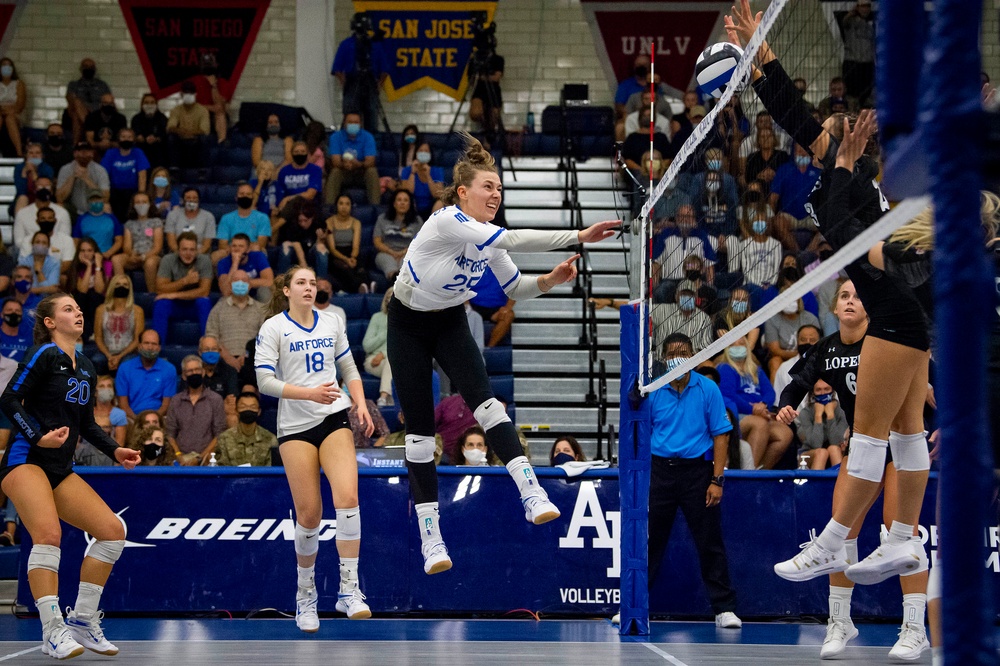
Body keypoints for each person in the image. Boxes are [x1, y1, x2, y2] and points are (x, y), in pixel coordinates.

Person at [726, 1, 931, 594]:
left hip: (898, 306)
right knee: (905, 429)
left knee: (872, 432)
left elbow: (844, 231)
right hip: (907, 308)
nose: (833, 131)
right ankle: (901, 540)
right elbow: (796, 119)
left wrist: (844, 162)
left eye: (844, 129)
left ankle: (837, 540)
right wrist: (763, 63)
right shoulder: (850, 174)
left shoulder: (871, 187)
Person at [386, 132, 619, 574]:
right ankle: (431, 539)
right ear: (463, 193)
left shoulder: (488, 238)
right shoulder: (446, 221)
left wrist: (550, 280)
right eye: (487, 187)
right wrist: (578, 235)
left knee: (488, 404)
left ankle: (532, 494)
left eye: (499, 188)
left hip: (450, 319)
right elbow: (512, 240)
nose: (495, 194)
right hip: (408, 326)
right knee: (418, 434)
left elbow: (516, 289)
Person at [0, 292, 141, 658]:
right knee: (49, 534)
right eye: (68, 309)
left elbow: (87, 424)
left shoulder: (87, 367)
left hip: (60, 467)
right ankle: (51, 630)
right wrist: (38, 436)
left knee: (112, 533)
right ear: (50, 322)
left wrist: (115, 450)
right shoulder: (43, 353)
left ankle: (81, 619)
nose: (78, 313)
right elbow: (8, 400)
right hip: (25, 458)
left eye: (79, 309)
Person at [255, 266, 374, 630]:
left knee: (348, 497)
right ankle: (305, 595)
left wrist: (360, 401)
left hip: (333, 416)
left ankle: (349, 590)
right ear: (287, 290)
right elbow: (263, 381)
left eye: (312, 283)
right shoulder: (273, 327)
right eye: (301, 283)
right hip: (294, 425)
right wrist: (308, 393)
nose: (309, 288)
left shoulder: (332, 320)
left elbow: (348, 365)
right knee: (309, 515)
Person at [645, 332, 741, 629]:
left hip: (697, 473)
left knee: (710, 541)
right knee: (649, 542)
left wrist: (717, 479)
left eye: (683, 352)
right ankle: (634, 605)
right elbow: (640, 433)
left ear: (694, 356)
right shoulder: (653, 390)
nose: (678, 357)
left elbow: (720, 435)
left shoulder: (708, 388)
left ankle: (724, 608)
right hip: (659, 472)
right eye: (672, 352)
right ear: (663, 359)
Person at [717, 335, 792, 469]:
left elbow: (770, 393)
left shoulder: (756, 369)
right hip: (736, 415)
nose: (738, 347)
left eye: (741, 343)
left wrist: (763, 405)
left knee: (785, 433)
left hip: (759, 413)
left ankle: (760, 472)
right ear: (727, 349)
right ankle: (748, 472)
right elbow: (728, 396)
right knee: (760, 424)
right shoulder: (725, 368)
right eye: (733, 344)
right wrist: (752, 410)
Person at [331, 13, 390, 133]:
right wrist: (345, 83)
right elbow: (337, 69)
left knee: (372, 122)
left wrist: (378, 85)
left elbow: (385, 70)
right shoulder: (346, 44)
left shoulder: (375, 45)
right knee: (350, 120)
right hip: (352, 84)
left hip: (370, 85)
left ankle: (371, 148)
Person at [165, 355, 227, 466]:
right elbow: (170, 434)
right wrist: (179, 455)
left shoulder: (215, 399)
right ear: (184, 376)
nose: (194, 373)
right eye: (190, 371)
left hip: (206, 458)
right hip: (180, 458)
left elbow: (219, 435)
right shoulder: (176, 400)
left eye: (197, 370)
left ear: (203, 372)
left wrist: (199, 458)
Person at [152, 232, 212, 344]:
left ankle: (207, 346)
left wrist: (174, 294)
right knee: (161, 303)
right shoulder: (168, 260)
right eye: (184, 249)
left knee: (204, 302)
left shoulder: (204, 260)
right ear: (178, 250)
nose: (188, 253)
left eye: (192, 250)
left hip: (194, 305)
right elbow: (160, 289)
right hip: (175, 305)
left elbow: (204, 291)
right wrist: (185, 281)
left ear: (197, 250)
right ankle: (157, 347)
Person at [205, 269, 267, 373]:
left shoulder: (261, 310)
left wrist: (248, 355)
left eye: (244, 280)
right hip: (224, 361)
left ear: (250, 285)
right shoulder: (218, 309)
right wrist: (228, 358)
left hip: (254, 360)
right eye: (236, 280)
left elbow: (266, 338)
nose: (240, 283)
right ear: (230, 285)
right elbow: (212, 337)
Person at [114, 329, 175, 419]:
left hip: (159, 418)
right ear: (139, 346)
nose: (150, 347)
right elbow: (123, 405)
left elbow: (166, 405)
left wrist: (152, 420)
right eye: (146, 343)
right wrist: (138, 422)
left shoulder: (169, 369)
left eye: (154, 344)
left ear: (159, 347)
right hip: (131, 418)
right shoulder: (125, 368)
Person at [764, 290, 821, 380]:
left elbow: (818, 343)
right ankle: (777, 392)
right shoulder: (772, 320)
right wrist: (798, 354)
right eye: (786, 300)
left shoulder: (810, 318)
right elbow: (775, 350)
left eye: (793, 299)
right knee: (775, 361)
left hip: (809, 355)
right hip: (783, 358)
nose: (790, 303)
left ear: (799, 301)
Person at [325, 112, 380, 206]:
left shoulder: (368, 137)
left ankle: (375, 208)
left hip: (362, 171)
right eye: (350, 122)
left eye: (356, 122)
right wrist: (344, 164)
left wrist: (358, 164)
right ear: (344, 124)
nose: (353, 125)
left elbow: (371, 161)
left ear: (360, 124)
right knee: (335, 172)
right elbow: (335, 161)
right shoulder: (335, 137)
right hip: (344, 171)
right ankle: (329, 208)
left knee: (372, 171)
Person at [112, 191, 162, 291]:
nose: (141, 205)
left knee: (150, 263)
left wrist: (144, 256)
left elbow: (157, 247)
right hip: (134, 255)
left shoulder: (156, 222)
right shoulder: (129, 224)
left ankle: (152, 294)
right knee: (116, 259)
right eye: (138, 202)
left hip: (152, 256)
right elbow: (127, 246)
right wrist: (133, 255)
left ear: (149, 204)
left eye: (144, 202)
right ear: (133, 205)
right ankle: (123, 292)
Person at [94, 274, 144, 373]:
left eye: (125, 284)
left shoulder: (138, 310)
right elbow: (98, 338)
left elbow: (137, 340)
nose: (121, 287)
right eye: (117, 284)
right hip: (106, 352)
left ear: (130, 288)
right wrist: (109, 356)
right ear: (112, 287)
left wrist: (119, 356)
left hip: (128, 353)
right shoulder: (101, 309)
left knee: (127, 362)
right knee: (97, 361)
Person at [76, 375, 128, 466]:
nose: (106, 389)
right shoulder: (85, 412)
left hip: (109, 456)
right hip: (85, 457)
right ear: (95, 392)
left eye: (109, 386)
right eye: (102, 386)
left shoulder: (119, 414)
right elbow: (76, 442)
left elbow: (119, 443)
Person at [796, 379, 848, 469]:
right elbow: (815, 444)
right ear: (813, 392)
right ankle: (816, 483)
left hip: (837, 453)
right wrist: (818, 417)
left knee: (833, 449)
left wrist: (831, 416)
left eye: (826, 389)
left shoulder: (841, 411)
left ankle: (837, 482)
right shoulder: (805, 413)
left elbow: (837, 442)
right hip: (808, 454)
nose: (823, 393)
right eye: (818, 390)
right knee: (821, 452)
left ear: (833, 391)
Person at [100, 127, 149, 222]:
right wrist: (105, 199)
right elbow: (103, 175)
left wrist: (140, 197)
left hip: (132, 191)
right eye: (123, 137)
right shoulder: (111, 153)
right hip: (114, 191)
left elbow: (142, 176)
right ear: (118, 139)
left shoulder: (138, 153)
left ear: (134, 140)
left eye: (129, 137)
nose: (126, 139)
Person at [214, 392, 277, 466]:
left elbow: (272, 471)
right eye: (243, 407)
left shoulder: (270, 439)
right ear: (236, 410)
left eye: (252, 407)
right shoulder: (224, 438)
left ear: (259, 411)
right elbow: (222, 469)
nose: (248, 410)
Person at [63, 238, 107, 342]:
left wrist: (98, 266)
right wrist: (89, 266)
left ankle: (92, 333)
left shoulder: (106, 265)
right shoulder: (76, 267)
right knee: (81, 297)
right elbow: (82, 290)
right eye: (82, 250)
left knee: (94, 295)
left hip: (99, 302)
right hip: (82, 304)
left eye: (89, 250)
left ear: (95, 252)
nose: (86, 253)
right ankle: (86, 334)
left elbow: (100, 289)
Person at [374, 190, 423, 282]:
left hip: (408, 253)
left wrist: (403, 252)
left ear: (410, 204)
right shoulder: (382, 219)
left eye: (405, 200)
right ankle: (394, 279)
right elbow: (377, 241)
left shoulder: (417, 221)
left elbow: (420, 243)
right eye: (399, 200)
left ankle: (399, 284)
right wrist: (391, 252)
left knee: (406, 263)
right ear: (394, 204)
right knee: (388, 263)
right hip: (386, 253)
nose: (402, 203)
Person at [14, 176, 72, 249]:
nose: (44, 189)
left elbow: (65, 239)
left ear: (52, 190)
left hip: (56, 251)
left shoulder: (63, 213)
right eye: (40, 186)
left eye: (47, 187)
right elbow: (19, 242)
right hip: (29, 251)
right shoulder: (22, 214)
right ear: (34, 189)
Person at [325, 195, 368, 294]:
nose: (344, 207)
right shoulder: (329, 222)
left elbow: (356, 246)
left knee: (360, 267)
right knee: (344, 268)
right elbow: (332, 248)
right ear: (336, 205)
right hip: (336, 253)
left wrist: (352, 257)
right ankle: (361, 287)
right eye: (341, 203)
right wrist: (346, 260)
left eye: (347, 204)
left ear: (351, 207)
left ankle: (366, 286)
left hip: (352, 252)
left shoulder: (356, 222)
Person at [72, 190, 123, 273]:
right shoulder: (81, 219)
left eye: (98, 200)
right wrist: (81, 254)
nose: (96, 203)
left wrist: (107, 254)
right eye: (93, 200)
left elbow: (119, 240)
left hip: (106, 257)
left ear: (103, 201)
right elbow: (76, 240)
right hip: (86, 258)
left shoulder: (112, 218)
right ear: (88, 202)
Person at [771, 323, 821, 406]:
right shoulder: (784, 368)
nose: (807, 343)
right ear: (797, 341)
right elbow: (778, 402)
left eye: (812, 340)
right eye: (803, 340)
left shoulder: (829, 365)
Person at [55, 142, 109, 218]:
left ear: (92, 153)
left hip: (94, 208)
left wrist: (86, 179)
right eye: (81, 151)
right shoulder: (65, 169)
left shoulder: (100, 170)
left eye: (87, 151)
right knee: (59, 206)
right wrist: (73, 177)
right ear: (75, 154)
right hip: (73, 209)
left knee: (106, 207)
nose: (84, 154)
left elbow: (105, 198)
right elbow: (60, 198)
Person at [64, 58, 111, 143]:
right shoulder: (73, 85)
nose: (89, 69)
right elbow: (70, 100)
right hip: (81, 112)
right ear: (81, 69)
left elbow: (109, 100)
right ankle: (89, 125)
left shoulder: (102, 85)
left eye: (91, 67)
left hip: (98, 114)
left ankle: (75, 146)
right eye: (86, 66)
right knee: (76, 103)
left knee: (76, 118)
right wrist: (85, 107)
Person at [276, 202, 328, 276]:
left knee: (321, 247)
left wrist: (321, 239)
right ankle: (281, 280)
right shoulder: (293, 225)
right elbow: (296, 243)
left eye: (305, 220)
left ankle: (322, 282)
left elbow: (318, 245)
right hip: (296, 255)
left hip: (310, 255)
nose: (303, 224)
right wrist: (303, 264)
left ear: (312, 218)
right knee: (286, 245)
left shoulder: (319, 224)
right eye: (300, 221)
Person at [216, 183, 272, 254]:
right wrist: (239, 249)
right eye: (242, 194)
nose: (245, 196)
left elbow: (260, 244)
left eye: (248, 194)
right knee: (217, 255)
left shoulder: (263, 218)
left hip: (253, 253)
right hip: (231, 253)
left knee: (259, 250)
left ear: (252, 197)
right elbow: (222, 245)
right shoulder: (226, 218)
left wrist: (239, 248)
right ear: (236, 198)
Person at [217, 233, 274, 301]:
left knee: (264, 291)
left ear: (248, 249)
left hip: (256, 293)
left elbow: (269, 281)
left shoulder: (258, 256)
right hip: (235, 296)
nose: (237, 249)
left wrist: (245, 283)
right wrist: (235, 263)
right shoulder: (223, 262)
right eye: (234, 246)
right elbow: (225, 291)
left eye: (241, 246)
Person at [198, 335, 239, 428]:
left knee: (232, 418)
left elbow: (231, 405)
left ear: (220, 352)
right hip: (197, 413)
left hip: (221, 415)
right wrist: (222, 404)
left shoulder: (230, 371)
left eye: (214, 349)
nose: (210, 352)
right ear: (200, 352)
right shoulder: (194, 370)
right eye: (207, 349)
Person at [839, 1, 875, 105]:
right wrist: (851, 12)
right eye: (862, 6)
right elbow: (844, 22)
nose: (865, 9)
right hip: (853, 62)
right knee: (852, 94)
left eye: (868, 6)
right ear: (857, 7)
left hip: (867, 63)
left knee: (867, 94)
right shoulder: (851, 21)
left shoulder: (874, 21)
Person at [166, 81, 210, 167]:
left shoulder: (203, 110)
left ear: (195, 94)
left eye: (191, 93)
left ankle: (202, 172)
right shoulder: (176, 109)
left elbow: (205, 130)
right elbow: (170, 127)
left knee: (204, 139)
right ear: (182, 94)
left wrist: (190, 133)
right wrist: (180, 131)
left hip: (196, 140)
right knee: (171, 138)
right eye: (186, 93)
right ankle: (174, 169)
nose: (188, 95)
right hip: (181, 139)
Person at [190, 53, 231, 143]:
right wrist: (210, 108)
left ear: (215, 65)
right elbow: (190, 104)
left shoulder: (223, 82)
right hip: (199, 114)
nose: (208, 67)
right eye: (205, 64)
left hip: (216, 117)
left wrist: (214, 86)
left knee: (220, 113)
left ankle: (222, 141)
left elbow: (221, 107)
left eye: (210, 64)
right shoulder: (194, 81)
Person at [469, 268, 515, 348]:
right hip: (474, 305)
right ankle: (470, 351)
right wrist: (467, 306)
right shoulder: (471, 264)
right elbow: (461, 288)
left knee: (509, 315)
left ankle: (489, 348)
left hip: (496, 308)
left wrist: (507, 308)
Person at [363, 288, 393, 406]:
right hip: (373, 360)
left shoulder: (408, 321)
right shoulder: (377, 317)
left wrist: (384, 354)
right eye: (389, 297)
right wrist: (386, 330)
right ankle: (383, 398)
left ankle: (386, 401)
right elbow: (367, 346)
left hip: (396, 359)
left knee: (393, 362)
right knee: (393, 364)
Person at [399, 142, 445, 220]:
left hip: (431, 206)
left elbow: (438, 194)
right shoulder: (407, 170)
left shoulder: (437, 170)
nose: (423, 153)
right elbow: (407, 192)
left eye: (426, 151)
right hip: (412, 205)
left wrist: (428, 176)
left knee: (440, 202)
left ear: (430, 154)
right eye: (421, 150)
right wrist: (413, 173)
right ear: (416, 153)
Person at [164, 187, 215, 255]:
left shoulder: (208, 217)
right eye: (188, 197)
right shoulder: (172, 215)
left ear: (199, 200)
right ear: (183, 200)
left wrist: (193, 255)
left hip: (200, 254)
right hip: (177, 253)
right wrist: (182, 254)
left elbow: (206, 245)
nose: (191, 200)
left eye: (195, 198)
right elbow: (171, 243)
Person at [276, 141, 323, 213]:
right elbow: (280, 192)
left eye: (303, 151)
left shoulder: (315, 170)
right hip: (288, 207)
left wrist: (289, 198)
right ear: (292, 154)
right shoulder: (284, 171)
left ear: (307, 154)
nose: (299, 154)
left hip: (308, 205)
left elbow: (310, 194)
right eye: (296, 152)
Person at [469, 55, 505, 144]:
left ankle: (489, 136)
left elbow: (496, 77)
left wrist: (481, 76)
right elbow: (471, 81)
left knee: (493, 117)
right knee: (475, 113)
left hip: (494, 90)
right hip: (480, 89)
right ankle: (485, 130)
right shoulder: (475, 60)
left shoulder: (497, 59)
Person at [83, 93, 127, 159]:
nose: (108, 106)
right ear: (100, 104)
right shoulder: (91, 117)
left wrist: (110, 144)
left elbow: (123, 140)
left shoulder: (120, 118)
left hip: (115, 150)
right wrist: (99, 144)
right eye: (105, 103)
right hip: (95, 150)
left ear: (114, 105)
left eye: (111, 103)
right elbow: (89, 140)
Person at [130, 93, 168, 168]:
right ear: (142, 105)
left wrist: (157, 138)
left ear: (156, 105)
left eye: (152, 102)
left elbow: (165, 134)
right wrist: (143, 139)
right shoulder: (136, 118)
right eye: (146, 103)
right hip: (142, 148)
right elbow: (136, 134)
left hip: (159, 150)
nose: (149, 105)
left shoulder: (162, 118)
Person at [14, 143, 54, 212]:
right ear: (26, 155)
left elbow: (42, 190)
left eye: (37, 153)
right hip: (25, 199)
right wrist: (24, 173)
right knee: (22, 198)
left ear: (42, 155)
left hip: (43, 197)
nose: (34, 156)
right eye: (31, 153)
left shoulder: (47, 169)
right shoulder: (19, 168)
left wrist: (33, 172)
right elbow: (21, 191)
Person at [20, 232, 61, 297]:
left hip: (47, 301)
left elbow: (53, 291)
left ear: (48, 246)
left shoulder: (55, 263)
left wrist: (39, 272)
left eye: (44, 243)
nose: (40, 245)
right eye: (37, 242)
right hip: (27, 299)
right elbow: (21, 288)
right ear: (32, 244)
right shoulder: (24, 261)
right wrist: (46, 289)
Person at [0, 58, 26, 157]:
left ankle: (19, 152)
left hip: (16, 114)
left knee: (10, 118)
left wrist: (6, 109)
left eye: (9, 65)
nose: (6, 68)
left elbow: (20, 105)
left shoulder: (19, 84)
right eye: (4, 65)